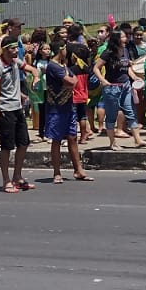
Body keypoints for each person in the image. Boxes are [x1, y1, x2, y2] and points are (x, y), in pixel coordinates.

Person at [0, 18, 36, 193]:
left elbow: (31, 69)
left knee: (23, 143)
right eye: (13, 48)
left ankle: (17, 176)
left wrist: (36, 77)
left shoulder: (16, 61)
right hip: (5, 110)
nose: (16, 51)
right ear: (6, 50)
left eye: (17, 47)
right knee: (7, 147)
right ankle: (6, 180)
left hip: (18, 109)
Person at [42, 41, 91, 183]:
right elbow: (71, 82)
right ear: (60, 50)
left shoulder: (64, 66)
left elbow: (74, 80)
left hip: (69, 107)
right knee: (56, 140)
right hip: (56, 109)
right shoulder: (53, 66)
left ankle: (78, 170)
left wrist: (70, 80)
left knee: (72, 138)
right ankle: (57, 173)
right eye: (65, 49)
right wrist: (70, 80)